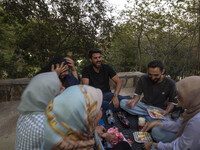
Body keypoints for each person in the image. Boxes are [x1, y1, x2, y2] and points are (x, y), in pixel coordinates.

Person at [43, 85, 131, 150]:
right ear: (88, 116)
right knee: (124, 146)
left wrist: (96, 131)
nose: (100, 109)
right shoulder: (81, 145)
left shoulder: (61, 121)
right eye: (97, 108)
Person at [120, 60, 177, 142]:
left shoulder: (170, 83)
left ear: (163, 71)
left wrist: (166, 111)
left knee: (157, 132)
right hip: (144, 106)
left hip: (160, 112)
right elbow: (137, 95)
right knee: (123, 103)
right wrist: (133, 101)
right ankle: (149, 119)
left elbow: (172, 102)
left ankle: (147, 119)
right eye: (150, 74)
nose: (153, 78)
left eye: (156, 75)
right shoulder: (143, 78)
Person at [143, 76, 200, 150]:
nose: (177, 97)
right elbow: (178, 125)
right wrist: (156, 123)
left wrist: (154, 145)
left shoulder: (197, 120)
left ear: (193, 97)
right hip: (184, 138)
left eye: (182, 95)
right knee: (156, 130)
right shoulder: (192, 109)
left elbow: (180, 147)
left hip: (187, 146)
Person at [15, 71, 65, 150]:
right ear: (48, 95)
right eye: (61, 89)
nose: (64, 89)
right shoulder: (48, 125)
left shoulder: (26, 113)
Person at [82, 49, 124, 113]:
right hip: (95, 97)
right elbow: (85, 87)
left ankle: (106, 109)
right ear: (91, 60)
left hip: (107, 94)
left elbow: (118, 82)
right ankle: (109, 108)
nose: (98, 60)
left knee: (125, 101)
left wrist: (115, 96)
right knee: (105, 105)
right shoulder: (86, 70)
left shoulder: (107, 68)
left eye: (99, 57)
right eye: (95, 58)